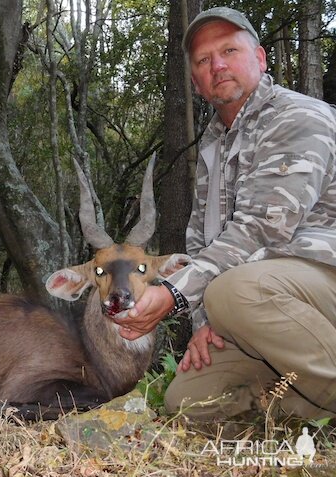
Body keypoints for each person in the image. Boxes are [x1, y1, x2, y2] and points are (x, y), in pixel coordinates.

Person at [117, 6, 336, 420]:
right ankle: (313, 405)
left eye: (230, 50)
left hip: (319, 284)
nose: (217, 65)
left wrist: (175, 294)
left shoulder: (298, 117)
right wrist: (204, 322)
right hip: (269, 305)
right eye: (203, 60)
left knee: (234, 292)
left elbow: (262, 231)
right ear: (197, 83)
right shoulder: (214, 146)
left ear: (260, 59)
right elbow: (204, 244)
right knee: (190, 404)